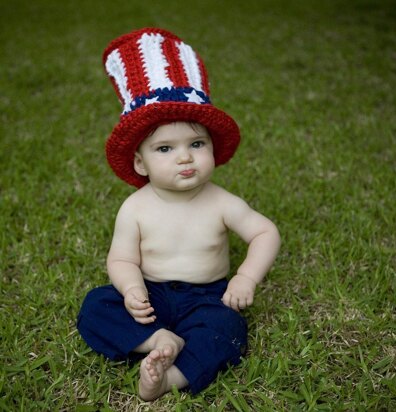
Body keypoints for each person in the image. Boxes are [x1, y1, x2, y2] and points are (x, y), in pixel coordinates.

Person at [77, 28, 281, 401]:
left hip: (208, 297)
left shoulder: (222, 202)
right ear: (140, 162)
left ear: (213, 150)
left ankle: (170, 377)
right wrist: (131, 288)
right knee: (96, 306)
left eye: (196, 144)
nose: (184, 157)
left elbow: (264, 232)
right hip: (151, 294)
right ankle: (155, 339)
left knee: (228, 327)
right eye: (166, 148)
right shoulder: (135, 208)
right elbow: (122, 257)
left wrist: (246, 278)